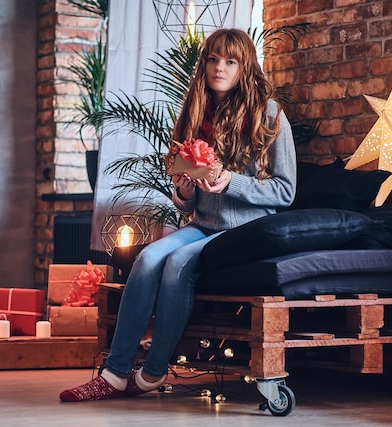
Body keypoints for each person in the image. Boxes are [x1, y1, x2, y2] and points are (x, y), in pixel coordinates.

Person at [59, 28, 297, 402]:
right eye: (213, 59)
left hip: (245, 230)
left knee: (177, 264)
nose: (220, 68)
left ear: (245, 67)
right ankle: (115, 374)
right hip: (203, 225)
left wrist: (230, 181)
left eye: (230, 61)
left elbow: (285, 192)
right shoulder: (196, 113)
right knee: (148, 257)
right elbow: (188, 203)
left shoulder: (268, 114)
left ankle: (152, 373)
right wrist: (185, 189)